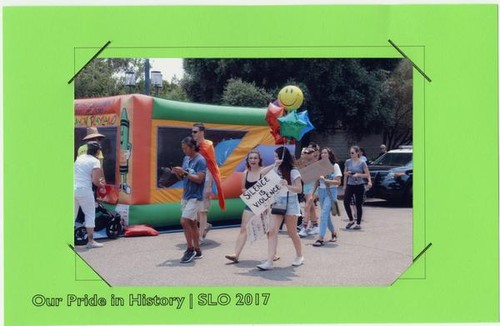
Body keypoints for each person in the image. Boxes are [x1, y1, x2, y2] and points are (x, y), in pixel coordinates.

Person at [257, 146, 304, 271]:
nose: (275, 158)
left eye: (277, 156)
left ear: (283, 157)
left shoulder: (294, 171)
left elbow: (299, 189)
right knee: (272, 230)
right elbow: (261, 173)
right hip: (278, 201)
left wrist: (287, 185)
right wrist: (274, 164)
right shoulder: (276, 168)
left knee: (292, 232)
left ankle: (299, 256)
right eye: (274, 157)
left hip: (291, 202)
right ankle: (269, 261)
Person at [224, 150, 275, 263]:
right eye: (250, 158)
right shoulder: (245, 173)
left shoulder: (263, 171)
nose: (253, 160)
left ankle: (272, 254)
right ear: (247, 160)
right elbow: (243, 188)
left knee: (268, 230)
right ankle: (236, 254)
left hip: (263, 204)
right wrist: (246, 191)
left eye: (255, 158)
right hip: (251, 204)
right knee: (244, 228)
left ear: (259, 160)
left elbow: (270, 186)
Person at [172, 137, 207, 263]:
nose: (184, 151)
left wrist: (184, 173)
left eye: (185, 148)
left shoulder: (201, 160)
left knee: (184, 221)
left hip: (195, 197)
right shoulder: (186, 159)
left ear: (192, 147)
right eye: (182, 148)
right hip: (186, 195)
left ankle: (190, 249)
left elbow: (199, 179)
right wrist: (177, 172)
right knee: (192, 223)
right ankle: (197, 250)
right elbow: (183, 178)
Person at [191, 122, 225, 244]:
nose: (193, 134)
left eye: (195, 131)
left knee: (203, 208)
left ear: (202, 132)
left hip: (206, 177)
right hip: (194, 177)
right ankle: (205, 226)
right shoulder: (192, 144)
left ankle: (200, 237)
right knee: (194, 207)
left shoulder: (208, 144)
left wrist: (209, 182)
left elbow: (211, 163)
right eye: (192, 131)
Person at [74, 141, 106, 249]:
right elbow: (95, 180)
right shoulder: (95, 161)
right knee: (90, 214)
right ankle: (91, 241)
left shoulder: (80, 158)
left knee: (71, 215)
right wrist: (101, 185)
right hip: (84, 190)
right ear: (97, 151)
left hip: (72, 188)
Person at [311, 147, 342, 246]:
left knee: (324, 214)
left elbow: (338, 181)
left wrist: (326, 180)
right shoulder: (320, 166)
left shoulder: (335, 166)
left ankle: (320, 238)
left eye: (325, 153)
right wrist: (312, 194)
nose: (323, 154)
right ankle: (333, 232)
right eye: (322, 153)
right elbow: (316, 181)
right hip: (321, 191)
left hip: (331, 191)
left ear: (329, 155)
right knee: (326, 216)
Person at [343, 146, 372, 230]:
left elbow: (367, 174)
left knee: (358, 204)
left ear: (357, 153)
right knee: (346, 202)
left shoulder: (362, 163)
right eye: (350, 153)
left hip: (359, 185)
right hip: (350, 184)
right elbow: (344, 173)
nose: (351, 154)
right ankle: (351, 220)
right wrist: (345, 183)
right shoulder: (348, 162)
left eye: (352, 153)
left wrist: (359, 175)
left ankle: (358, 223)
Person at [298, 145, 320, 237]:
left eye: (309, 152)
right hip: (306, 187)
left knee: (307, 206)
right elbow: (301, 175)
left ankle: (304, 227)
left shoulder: (317, 163)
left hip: (314, 187)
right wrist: (302, 154)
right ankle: (315, 226)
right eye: (306, 152)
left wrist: (310, 154)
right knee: (310, 208)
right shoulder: (303, 163)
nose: (307, 154)